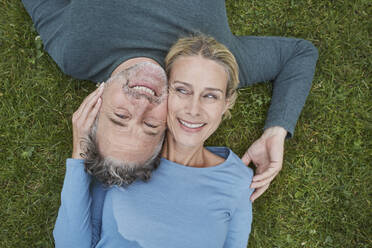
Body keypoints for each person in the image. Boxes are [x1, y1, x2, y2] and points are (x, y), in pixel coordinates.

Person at [22, 0, 318, 200]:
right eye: (151, 125)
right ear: (169, 122)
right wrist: (276, 129)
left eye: (120, 117)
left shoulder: (74, 52)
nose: (141, 104)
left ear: (94, 106)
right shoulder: (208, 66)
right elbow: (298, 54)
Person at [54, 35, 254, 248]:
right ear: (166, 93)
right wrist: (80, 150)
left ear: (226, 103)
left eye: (211, 96)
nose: (193, 110)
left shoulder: (238, 180)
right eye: (182, 90)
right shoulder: (131, 157)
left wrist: (277, 130)